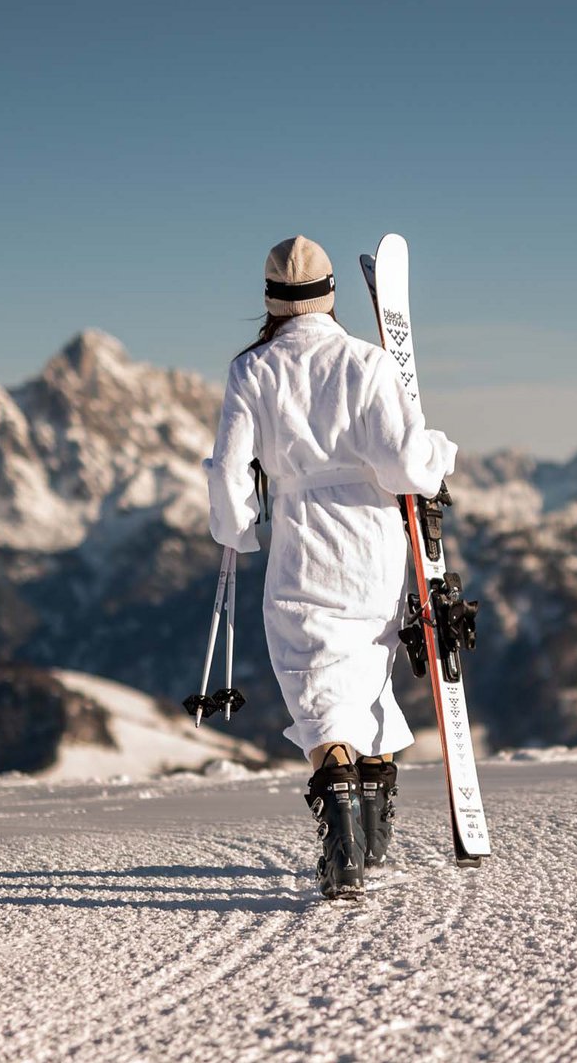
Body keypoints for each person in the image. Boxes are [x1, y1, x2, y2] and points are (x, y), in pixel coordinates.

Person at [205, 235, 458, 900]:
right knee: (368, 674)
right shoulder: (369, 363)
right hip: (373, 538)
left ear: (269, 299)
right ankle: (372, 835)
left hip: (301, 536)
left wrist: (234, 532)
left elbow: (231, 470)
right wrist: (439, 455)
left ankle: (341, 824)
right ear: (330, 296)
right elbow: (406, 464)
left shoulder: (251, 370)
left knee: (314, 675)